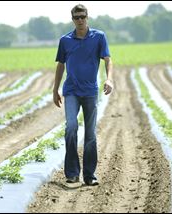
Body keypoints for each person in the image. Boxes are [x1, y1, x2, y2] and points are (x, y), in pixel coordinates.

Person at [53, 4, 113, 186]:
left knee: (90, 134)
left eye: (83, 16)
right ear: (72, 19)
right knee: (71, 127)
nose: (80, 20)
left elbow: (108, 60)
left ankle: (89, 175)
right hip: (71, 91)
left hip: (90, 92)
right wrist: (55, 89)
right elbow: (60, 65)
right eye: (77, 17)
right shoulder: (65, 40)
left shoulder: (99, 37)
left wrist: (109, 79)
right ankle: (72, 173)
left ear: (88, 17)